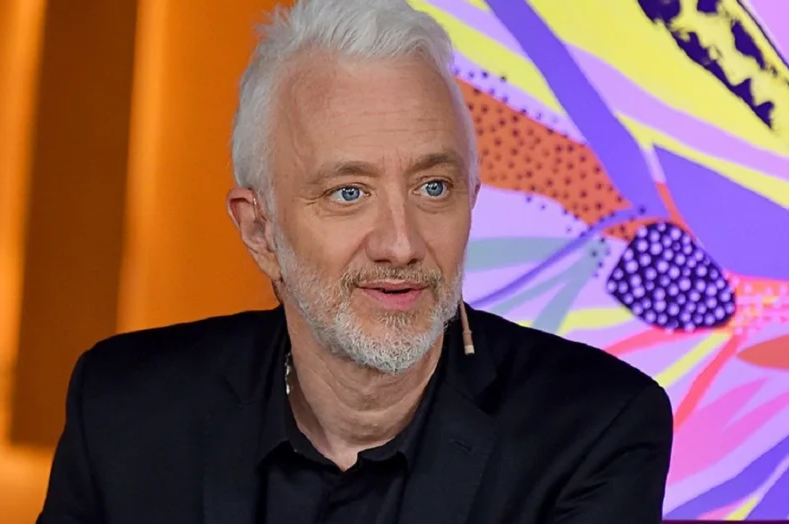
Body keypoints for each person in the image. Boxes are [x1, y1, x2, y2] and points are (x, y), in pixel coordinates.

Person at [37, 0, 673, 522]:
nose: (401, 243)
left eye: (433, 187)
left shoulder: (595, 431)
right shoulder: (123, 409)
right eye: (349, 193)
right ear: (260, 230)